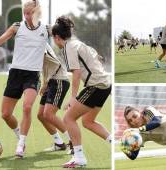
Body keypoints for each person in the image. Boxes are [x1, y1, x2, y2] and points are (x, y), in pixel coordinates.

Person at [0, 0, 49, 158]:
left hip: (32, 75)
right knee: (5, 114)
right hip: (15, 74)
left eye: (30, 12)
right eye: (25, 13)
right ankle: (19, 135)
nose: (27, 15)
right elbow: (0, 40)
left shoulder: (46, 30)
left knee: (27, 107)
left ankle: (21, 143)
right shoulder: (17, 26)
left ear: (37, 13)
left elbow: (64, 39)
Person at [52, 15, 111, 168]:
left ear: (57, 37)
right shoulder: (78, 43)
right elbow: (97, 56)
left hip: (96, 86)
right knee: (88, 122)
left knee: (68, 119)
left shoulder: (68, 48)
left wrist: (73, 98)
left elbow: (76, 73)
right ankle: (118, 142)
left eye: (53, 38)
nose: (54, 41)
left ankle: (79, 158)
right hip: (105, 84)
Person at [37, 43, 73, 153]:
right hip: (51, 81)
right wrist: (44, 83)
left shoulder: (39, 44)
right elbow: (44, 65)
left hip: (59, 80)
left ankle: (73, 141)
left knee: (48, 114)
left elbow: (51, 62)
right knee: (41, 115)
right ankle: (59, 143)